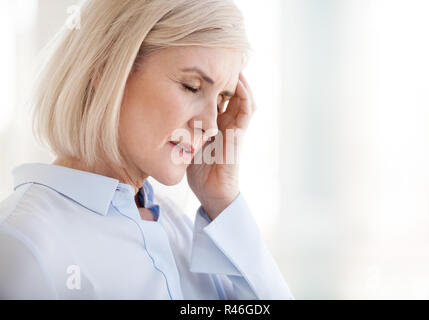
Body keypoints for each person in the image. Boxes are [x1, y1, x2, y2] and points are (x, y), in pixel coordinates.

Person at [0, 0, 293, 299]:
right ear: (107, 68)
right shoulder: (23, 243)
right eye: (191, 86)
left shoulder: (182, 233)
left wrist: (223, 199)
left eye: (221, 102)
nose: (212, 125)